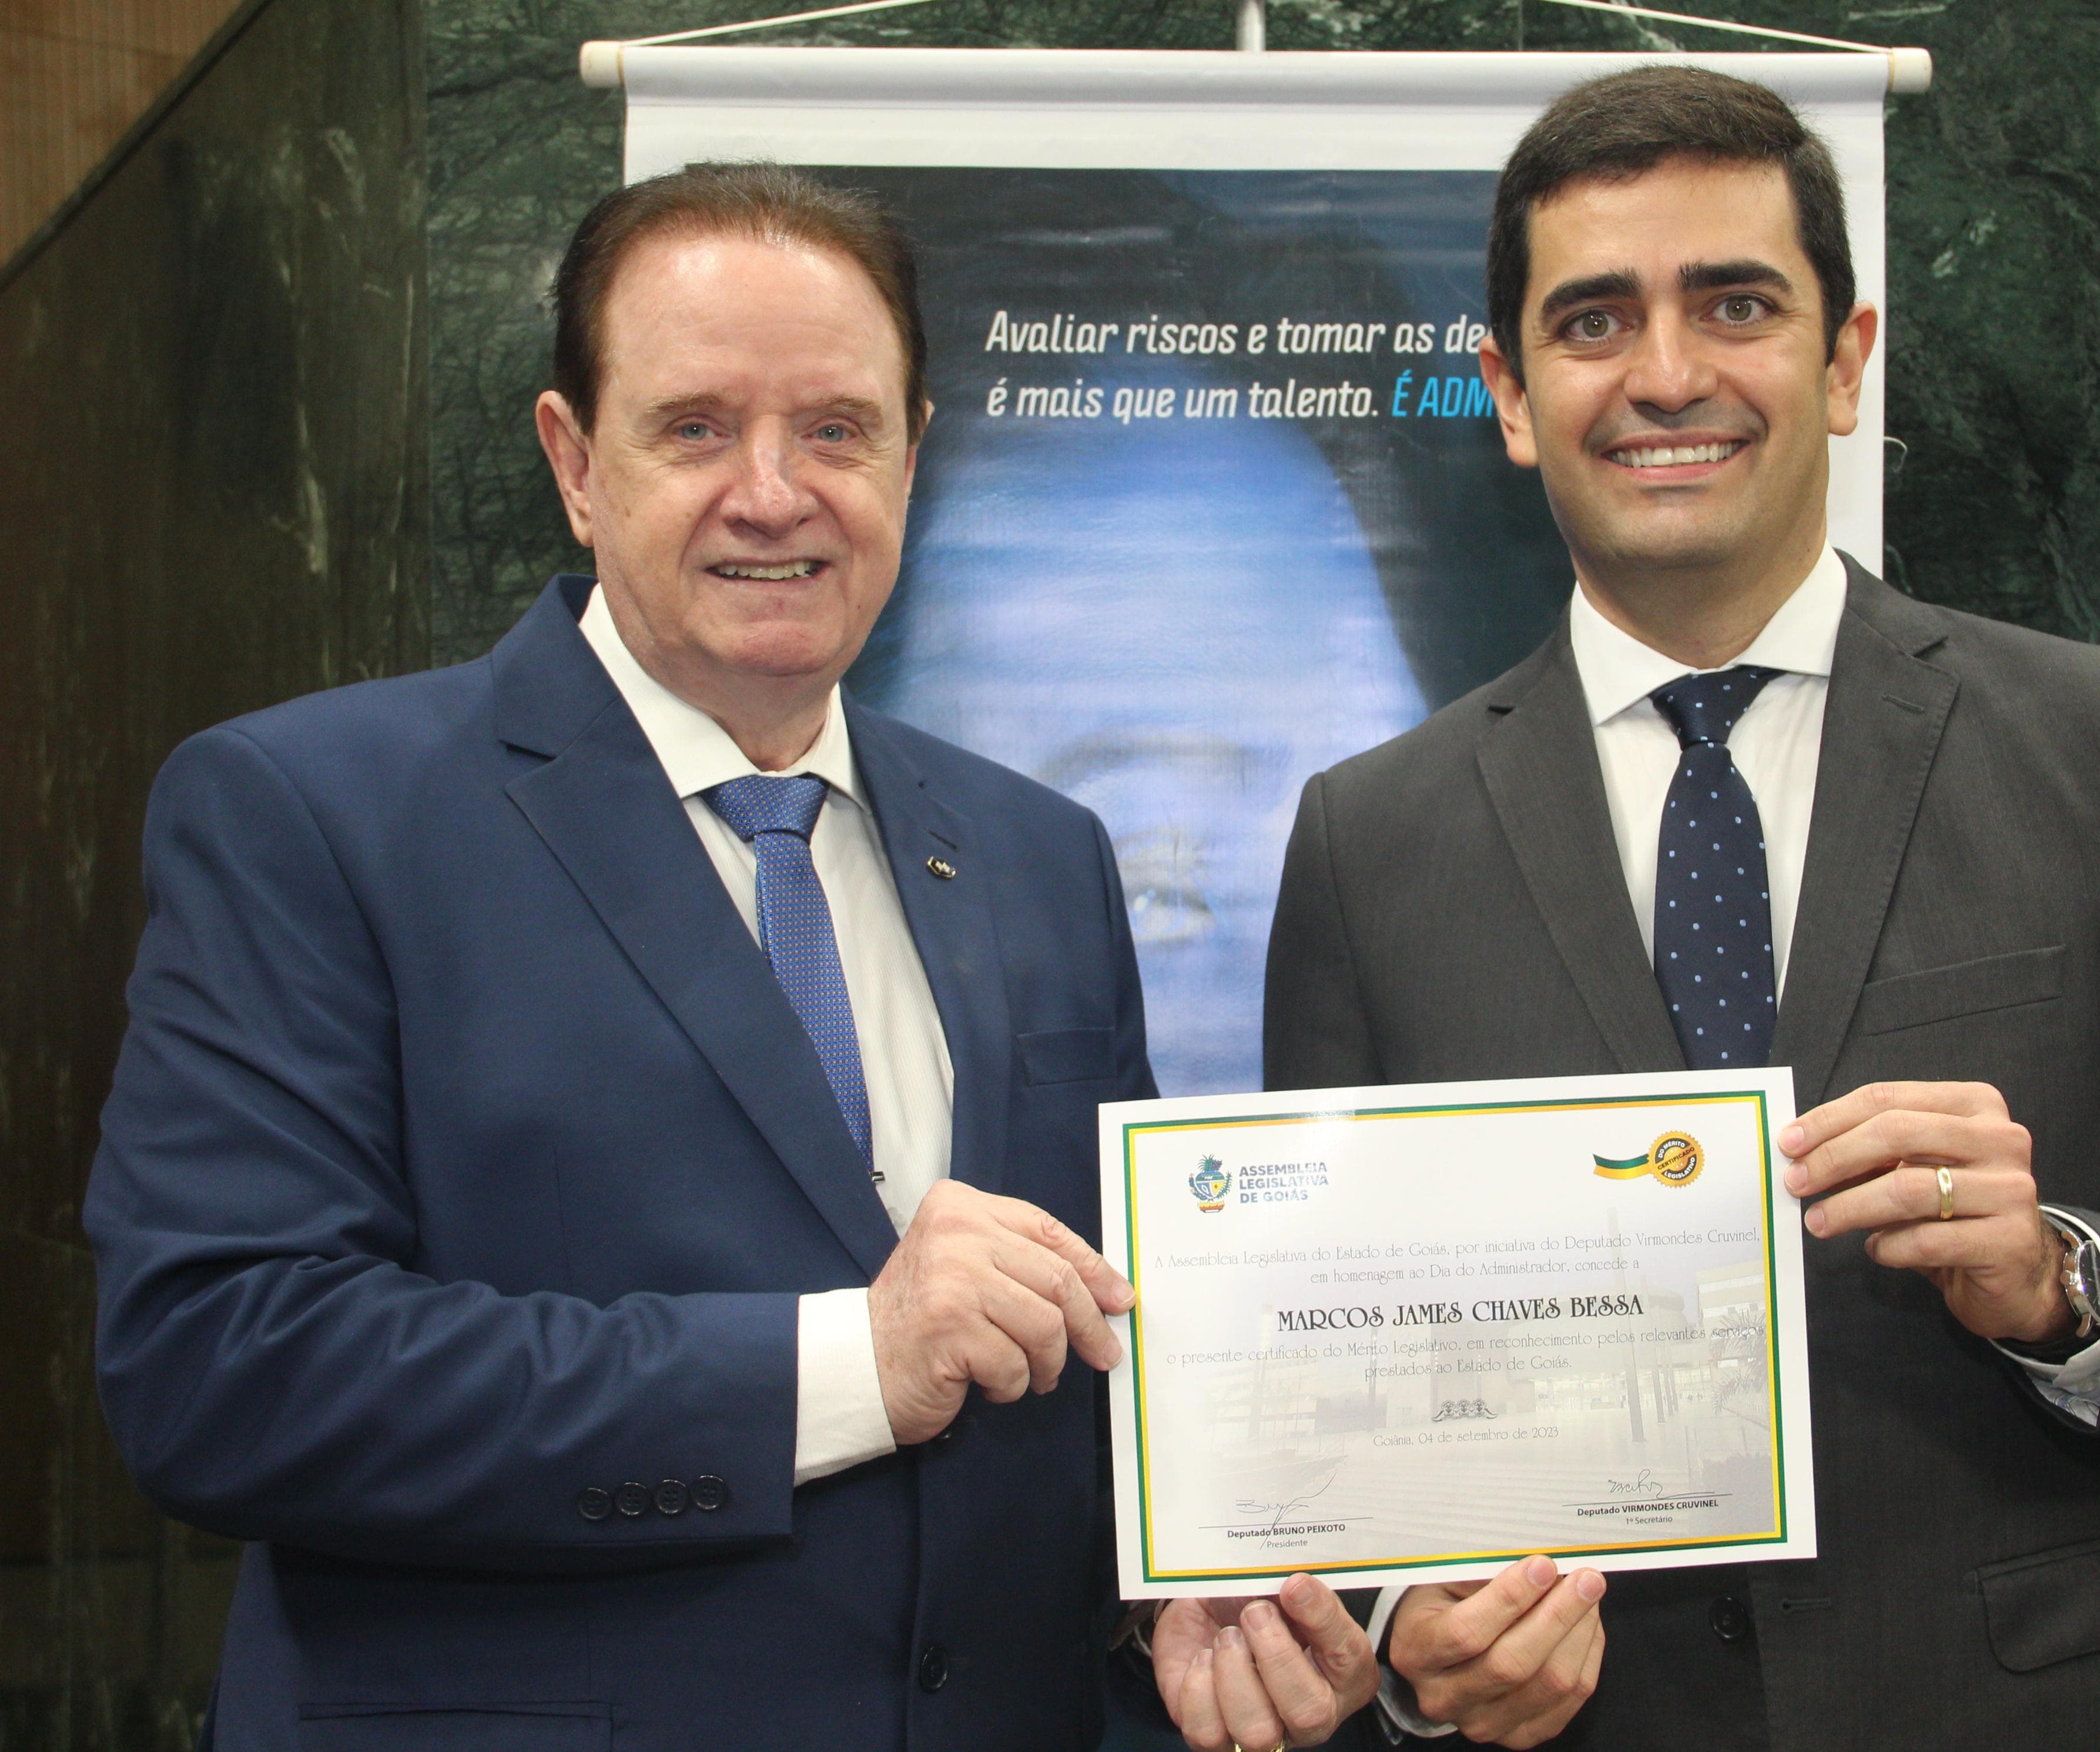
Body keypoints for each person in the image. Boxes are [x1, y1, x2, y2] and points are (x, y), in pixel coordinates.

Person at [85, 163, 1374, 1752]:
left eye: (836, 429)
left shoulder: (1040, 853)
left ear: (912, 456)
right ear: (575, 462)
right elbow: (224, 1373)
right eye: (695, 428)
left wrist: (1163, 1592)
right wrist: (851, 1362)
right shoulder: (313, 814)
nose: (774, 493)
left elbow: (1095, 1351)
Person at [1263, 68, 2100, 1751]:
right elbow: (1323, 1393)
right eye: (1594, 320)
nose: (1667, 375)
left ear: (1846, 360)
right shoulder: (1368, 841)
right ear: (1509, 393)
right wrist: (1413, 1634)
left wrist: (2066, 1279)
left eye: (1737, 305)